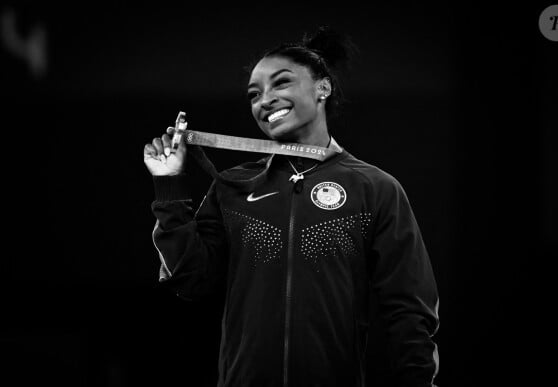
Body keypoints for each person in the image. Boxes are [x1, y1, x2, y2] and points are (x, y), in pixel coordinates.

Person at [143, 26, 439, 387]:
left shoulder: (375, 189)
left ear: (323, 88)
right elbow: (190, 280)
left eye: (280, 83)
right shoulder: (233, 187)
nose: (264, 100)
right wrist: (169, 184)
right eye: (254, 94)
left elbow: (409, 311)